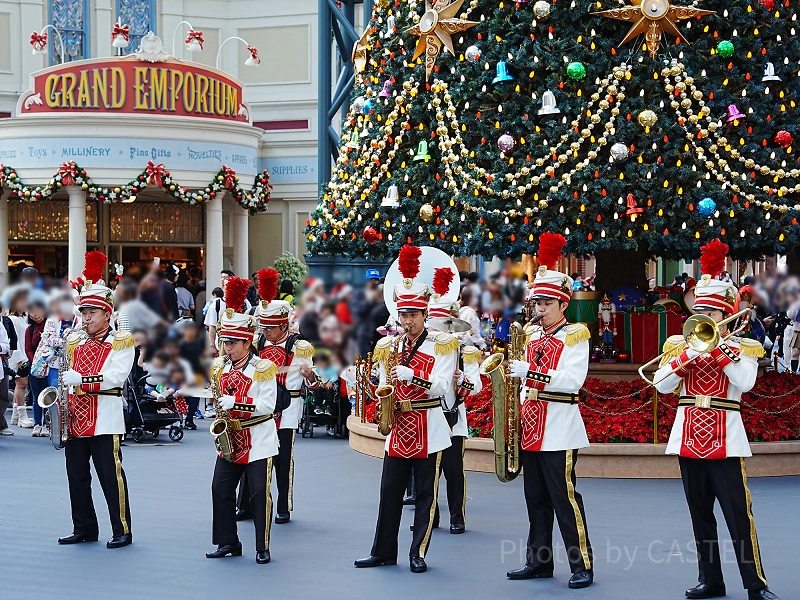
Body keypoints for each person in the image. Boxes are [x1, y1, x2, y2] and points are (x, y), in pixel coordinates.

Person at [652, 240, 780, 600]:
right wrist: (683, 358)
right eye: (701, 314)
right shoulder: (681, 345)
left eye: (712, 315)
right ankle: (711, 580)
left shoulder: (743, 348)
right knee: (700, 515)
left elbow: (746, 382)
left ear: (726, 315)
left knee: (739, 515)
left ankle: (756, 585)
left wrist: (719, 349)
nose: (705, 321)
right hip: (688, 436)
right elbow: (661, 386)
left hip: (726, 436)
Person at [355, 244, 457, 574]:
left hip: (428, 425)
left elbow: (443, 386)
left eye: (413, 315)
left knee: (425, 496)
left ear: (425, 315)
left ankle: (418, 552)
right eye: (403, 315)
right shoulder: (391, 345)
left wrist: (417, 376)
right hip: (398, 428)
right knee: (389, 494)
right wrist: (374, 384)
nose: (408, 321)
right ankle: (383, 551)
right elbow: (384, 386)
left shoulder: (442, 343)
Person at [506, 233, 594, 589]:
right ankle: (539, 561)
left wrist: (531, 373)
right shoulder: (530, 336)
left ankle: (582, 564)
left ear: (562, 304)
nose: (538, 309)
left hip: (559, 425)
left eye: (545, 303)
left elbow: (572, 381)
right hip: (531, 426)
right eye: (536, 303)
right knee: (536, 500)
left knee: (565, 499)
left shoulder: (576, 334)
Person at [57, 252, 136, 549]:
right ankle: (84, 527)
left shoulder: (122, 342)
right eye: (84, 312)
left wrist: (82, 381)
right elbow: (67, 373)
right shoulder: (74, 340)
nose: (86, 318)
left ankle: (122, 529)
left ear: (107, 313)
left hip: (105, 416)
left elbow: (116, 378)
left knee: (110, 477)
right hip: (76, 418)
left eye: (92, 312)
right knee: (76, 477)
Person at [205, 277, 279, 565]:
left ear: (247, 342)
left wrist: (237, 402)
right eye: (224, 341)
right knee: (220, 489)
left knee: (259, 494)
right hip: (230, 438)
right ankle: (228, 541)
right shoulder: (219, 366)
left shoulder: (263, 368)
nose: (227, 347)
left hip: (258, 439)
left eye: (233, 342)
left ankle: (262, 546)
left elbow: (268, 406)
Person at [240, 269, 319, 525]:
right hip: (260, 407)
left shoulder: (300, 346)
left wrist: (309, 376)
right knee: (252, 456)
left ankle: (283, 506)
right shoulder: (258, 343)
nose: (266, 330)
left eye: (270, 327)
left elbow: (315, 384)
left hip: (287, 409)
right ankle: (248, 505)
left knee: (282, 460)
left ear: (284, 325)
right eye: (263, 326)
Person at [427, 266, 483, 534]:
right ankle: (431, 517)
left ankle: (457, 517)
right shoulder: (423, 349)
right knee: (428, 473)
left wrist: (462, 380)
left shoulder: (465, 351)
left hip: (453, 419)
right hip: (428, 417)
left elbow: (477, 386)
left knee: (453, 472)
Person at [24, 291, 48, 437]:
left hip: (48, 366)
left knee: (47, 396)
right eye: (31, 312)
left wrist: (44, 363)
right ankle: (37, 423)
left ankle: (47, 424)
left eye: (37, 311)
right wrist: (35, 363)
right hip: (34, 368)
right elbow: (28, 348)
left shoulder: (50, 325)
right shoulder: (30, 329)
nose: (34, 315)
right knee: (36, 396)